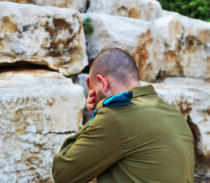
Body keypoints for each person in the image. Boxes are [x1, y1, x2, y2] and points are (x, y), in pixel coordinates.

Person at [52, 48, 194, 183]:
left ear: (103, 83)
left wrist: (96, 116)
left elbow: (63, 173)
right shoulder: (174, 114)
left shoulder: (115, 116)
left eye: (94, 90)